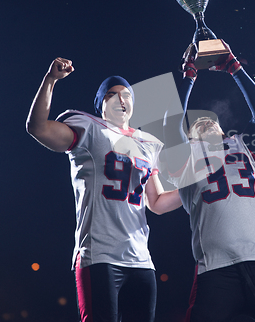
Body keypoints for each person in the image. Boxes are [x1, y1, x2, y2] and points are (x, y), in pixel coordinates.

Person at [26, 57, 181, 322]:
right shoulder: (88, 128)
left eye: (126, 94)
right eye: (112, 94)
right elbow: (37, 127)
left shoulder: (149, 143)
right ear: (101, 105)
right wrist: (50, 80)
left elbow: (155, 203)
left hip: (140, 259)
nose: (121, 99)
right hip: (99, 253)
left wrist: (194, 187)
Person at [162, 43, 255, 322]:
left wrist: (235, 68)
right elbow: (170, 125)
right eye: (197, 125)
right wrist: (188, 78)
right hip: (216, 269)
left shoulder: (240, 145)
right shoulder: (186, 156)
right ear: (189, 137)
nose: (205, 123)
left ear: (224, 131)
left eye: (211, 122)